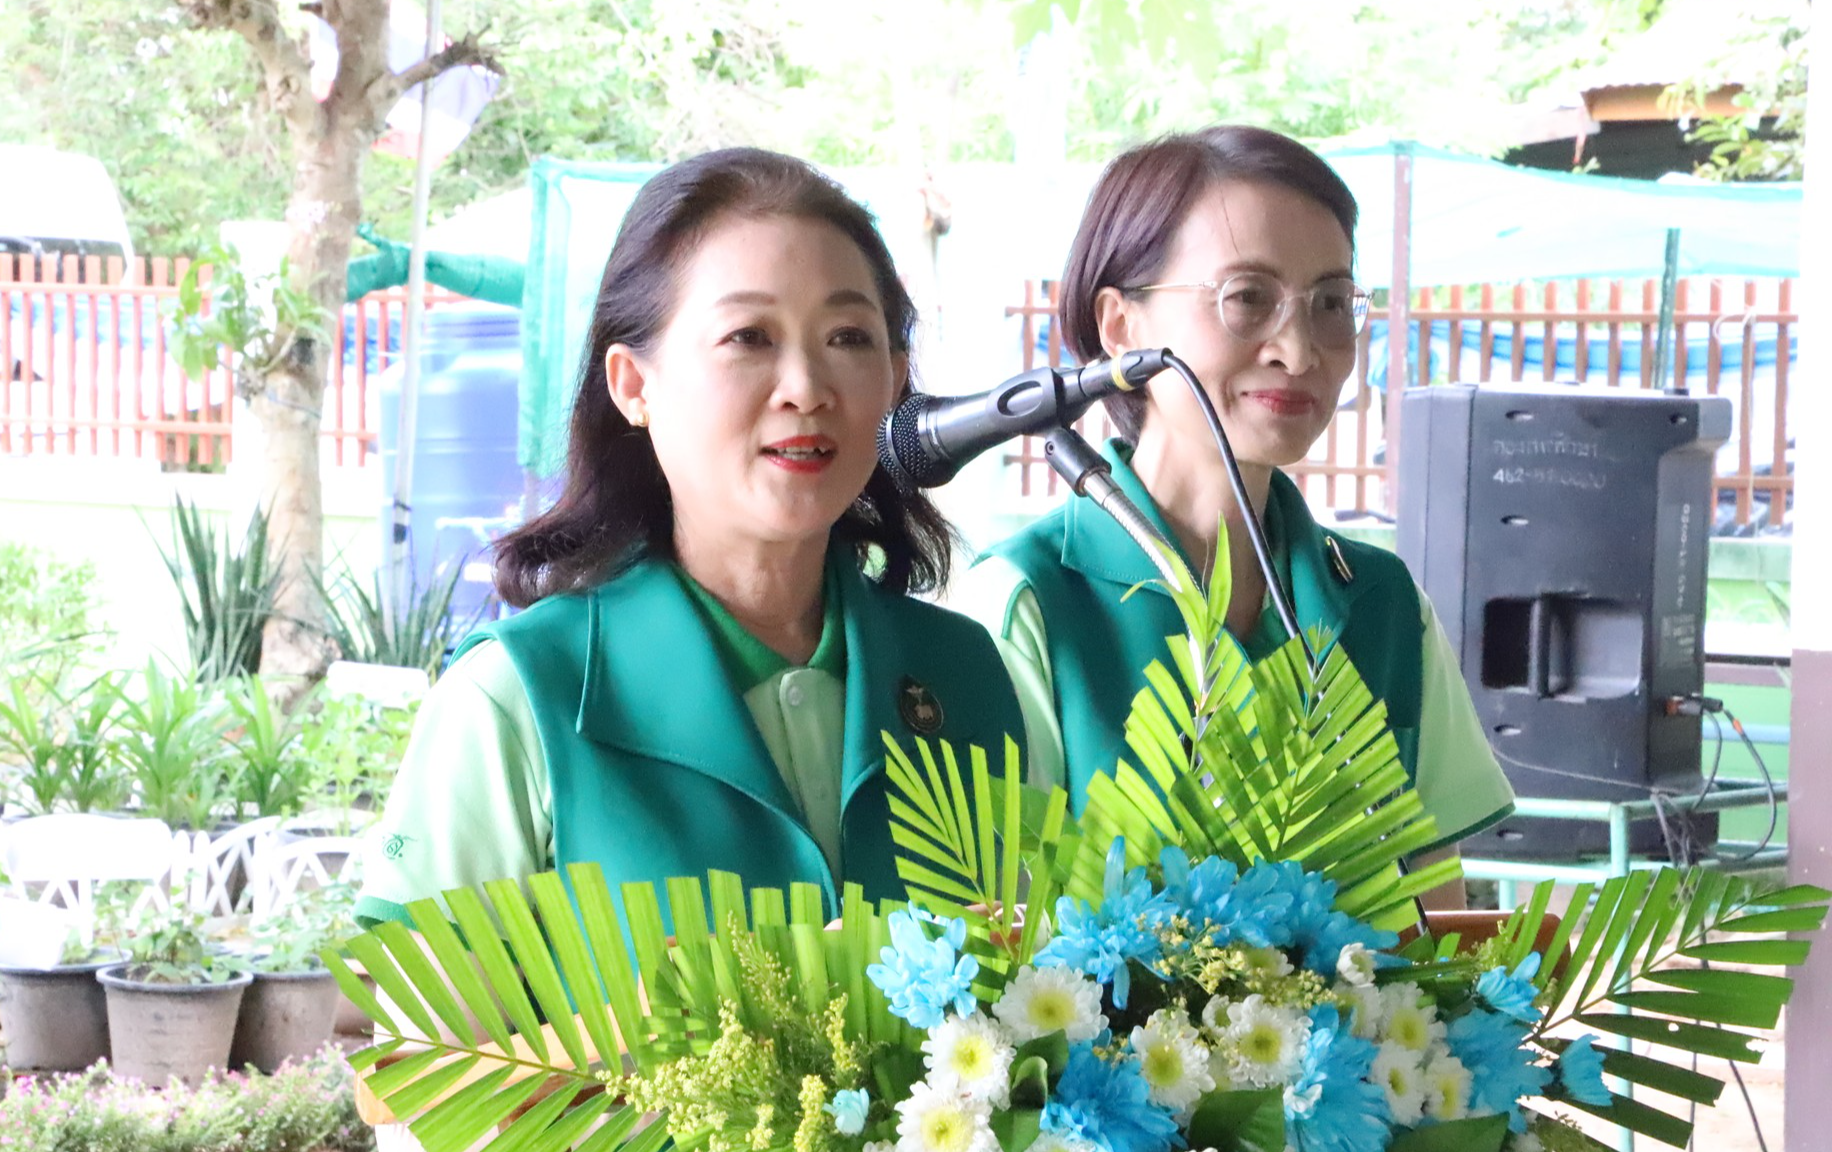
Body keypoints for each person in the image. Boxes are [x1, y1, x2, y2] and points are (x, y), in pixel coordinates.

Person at [356, 148, 1025, 931]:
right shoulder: (518, 698)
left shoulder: (963, 674)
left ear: (895, 381)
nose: (806, 387)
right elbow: (417, 1043)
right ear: (634, 385)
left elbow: (1029, 997)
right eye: (748, 336)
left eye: (847, 337)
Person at [957, 127, 1513, 906]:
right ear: (1121, 327)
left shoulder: (1385, 605)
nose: (1299, 348)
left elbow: (1433, 917)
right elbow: (995, 949)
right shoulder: (1028, 602)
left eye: (1331, 304)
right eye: (1247, 298)